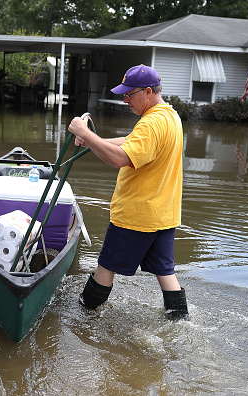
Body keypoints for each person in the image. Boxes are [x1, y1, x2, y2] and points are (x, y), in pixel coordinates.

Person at [67, 64, 188, 319]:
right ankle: (180, 323)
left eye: (129, 95)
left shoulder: (151, 123)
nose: (125, 101)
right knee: (166, 273)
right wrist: (90, 139)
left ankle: (81, 316)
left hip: (136, 216)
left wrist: (83, 132)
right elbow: (133, 142)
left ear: (147, 92)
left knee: (105, 267)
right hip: (163, 215)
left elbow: (121, 158)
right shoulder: (169, 116)